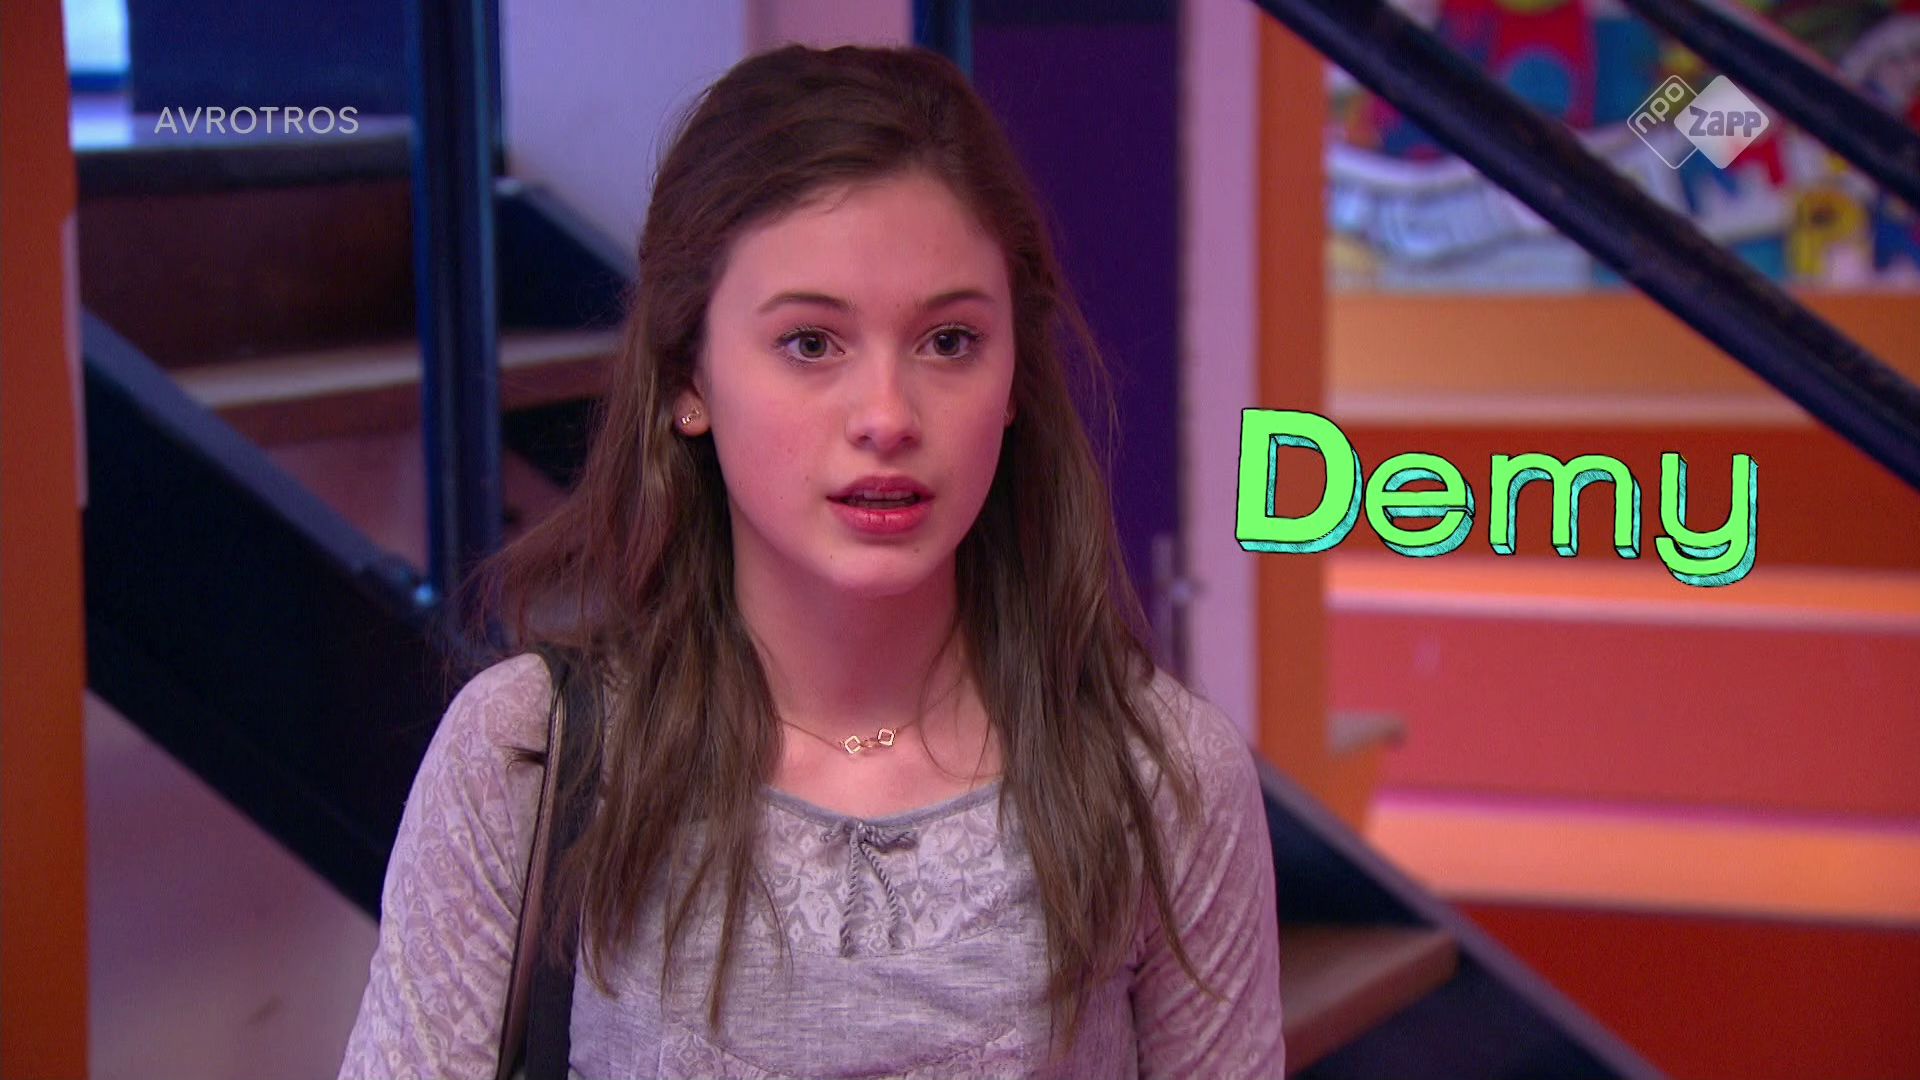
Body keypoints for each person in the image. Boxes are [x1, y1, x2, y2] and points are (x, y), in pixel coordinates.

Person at [340, 42, 1284, 1080]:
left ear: (1016, 377)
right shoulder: (527, 752)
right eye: (810, 344)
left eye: (949, 342)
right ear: (688, 377)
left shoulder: (1163, 777)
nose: (887, 417)